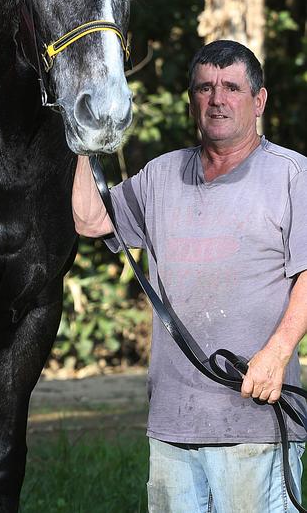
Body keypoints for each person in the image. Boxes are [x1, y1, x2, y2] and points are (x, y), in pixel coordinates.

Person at [72, 39, 307, 513]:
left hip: (254, 421)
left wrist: (276, 354)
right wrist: (83, 142)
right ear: (191, 100)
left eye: (231, 88)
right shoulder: (160, 175)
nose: (217, 99)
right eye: (204, 88)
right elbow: (91, 220)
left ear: (258, 101)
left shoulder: (293, 175)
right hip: (173, 425)